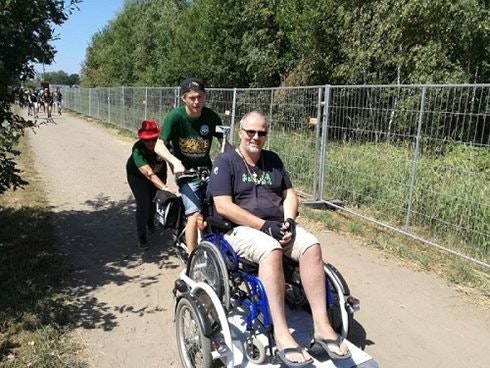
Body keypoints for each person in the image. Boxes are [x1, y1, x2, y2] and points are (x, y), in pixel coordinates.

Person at [207, 111, 351, 366]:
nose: (256, 137)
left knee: (311, 246)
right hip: (241, 229)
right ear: (240, 132)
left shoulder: (272, 160)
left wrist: (289, 221)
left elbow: (289, 194)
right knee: (272, 250)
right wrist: (265, 227)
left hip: (277, 224)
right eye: (250, 131)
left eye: (261, 133)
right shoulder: (226, 161)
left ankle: (321, 325)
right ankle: (281, 333)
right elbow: (223, 206)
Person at [154, 77, 231, 255]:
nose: (196, 102)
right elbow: (159, 145)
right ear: (184, 98)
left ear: (205, 97)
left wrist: (238, 158)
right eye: (192, 98)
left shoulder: (211, 117)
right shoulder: (175, 117)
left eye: (200, 97)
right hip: (186, 173)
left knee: (222, 207)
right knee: (193, 215)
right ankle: (193, 259)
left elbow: (224, 143)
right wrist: (175, 161)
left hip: (207, 170)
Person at [126, 119, 169, 250]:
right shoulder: (138, 148)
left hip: (159, 173)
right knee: (143, 204)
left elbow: (172, 161)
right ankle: (142, 237)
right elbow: (148, 172)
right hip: (138, 176)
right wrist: (165, 187)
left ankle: (150, 221)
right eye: (147, 140)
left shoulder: (164, 145)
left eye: (153, 139)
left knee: (154, 201)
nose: (150, 143)